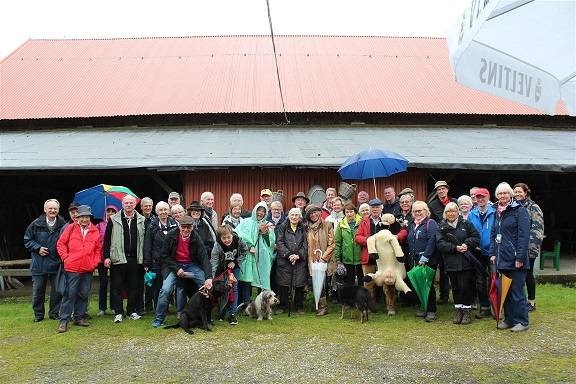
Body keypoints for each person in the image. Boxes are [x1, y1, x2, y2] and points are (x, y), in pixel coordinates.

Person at [151, 215, 213, 328]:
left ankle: (206, 318)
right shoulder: (171, 235)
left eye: (188, 227)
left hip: (191, 265)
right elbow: (164, 256)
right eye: (183, 227)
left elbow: (204, 257)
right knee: (165, 290)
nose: (186, 230)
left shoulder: (196, 237)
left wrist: (209, 277)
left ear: (192, 227)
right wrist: (177, 268)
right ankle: (159, 318)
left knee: (206, 285)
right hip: (174, 265)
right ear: (179, 226)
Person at [489, 182, 530, 332]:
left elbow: (524, 236)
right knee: (504, 291)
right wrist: (492, 253)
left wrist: (519, 258)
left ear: (511, 194)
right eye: (500, 193)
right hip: (501, 259)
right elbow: (494, 234)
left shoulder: (519, 210)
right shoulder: (496, 211)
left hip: (515, 260)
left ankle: (522, 321)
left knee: (517, 292)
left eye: (505, 193)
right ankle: (509, 319)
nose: (502, 196)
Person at [56, 205, 102, 332]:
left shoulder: (95, 231)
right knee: (69, 294)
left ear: (90, 218)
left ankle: (79, 318)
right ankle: (63, 321)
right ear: (77, 218)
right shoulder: (70, 228)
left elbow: (98, 249)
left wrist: (94, 262)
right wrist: (66, 258)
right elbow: (61, 244)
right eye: (82, 217)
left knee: (83, 294)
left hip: (88, 268)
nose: (84, 219)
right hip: (72, 268)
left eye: (87, 217)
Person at [103, 195, 146, 323]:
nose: (129, 205)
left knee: (134, 286)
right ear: (122, 205)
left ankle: (131, 311)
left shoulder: (141, 219)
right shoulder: (114, 219)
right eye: (126, 203)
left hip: (135, 258)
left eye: (131, 203)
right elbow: (106, 240)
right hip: (118, 258)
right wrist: (106, 256)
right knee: (117, 287)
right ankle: (118, 312)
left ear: (135, 204)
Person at [436, 202, 480, 325]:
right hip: (451, 262)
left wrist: (467, 244)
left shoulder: (466, 224)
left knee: (465, 286)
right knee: (455, 287)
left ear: (457, 212)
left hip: (466, 261)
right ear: (445, 213)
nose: (451, 214)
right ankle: (458, 309)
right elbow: (440, 244)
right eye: (448, 211)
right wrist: (454, 248)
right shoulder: (442, 227)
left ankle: (466, 310)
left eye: (453, 211)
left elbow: (476, 237)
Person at [24, 199, 67, 322]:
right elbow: (27, 240)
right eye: (50, 208)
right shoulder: (35, 224)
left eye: (55, 209)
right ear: (45, 210)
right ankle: (38, 315)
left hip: (56, 262)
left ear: (58, 210)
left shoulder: (63, 224)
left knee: (57, 291)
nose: (53, 210)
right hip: (39, 263)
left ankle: (54, 313)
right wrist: (37, 248)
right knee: (38, 291)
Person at [234, 202, 276, 302]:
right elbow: (238, 233)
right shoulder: (246, 222)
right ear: (255, 210)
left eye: (263, 211)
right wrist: (250, 245)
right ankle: (246, 303)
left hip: (262, 256)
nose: (260, 213)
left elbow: (270, 243)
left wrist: (264, 232)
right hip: (248, 255)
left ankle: (262, 303)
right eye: (259, 210)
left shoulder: (268, 225)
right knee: (247, 279)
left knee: (262, 278)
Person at [513, 183, 544, 312]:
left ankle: (531, 302)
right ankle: (520, 301)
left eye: (520, 191)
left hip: (528, 248)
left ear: (526, 192)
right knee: (518, 276)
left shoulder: (533, 207)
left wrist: (529, 249)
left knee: (528, 275)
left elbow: (537, 230)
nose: (517, 194)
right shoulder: (513, 206)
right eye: (515, 192)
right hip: (515, 248)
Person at [406, 201, 439, 322]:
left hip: (427, 260)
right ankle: (423, 306)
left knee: (428, 286)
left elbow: (432, 241)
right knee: (418, 285)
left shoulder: (431, 223)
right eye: (415, 211)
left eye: (420, 210)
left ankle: (431, 310)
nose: (418, 213)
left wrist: (425, 258)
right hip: (414, 260)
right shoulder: (412, 224)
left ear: (426, 211)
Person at [143, 201, 177, 313]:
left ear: (168, 211)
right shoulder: (152, 225)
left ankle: (166, 308)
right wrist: (147, 263)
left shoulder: (174, 224)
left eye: (165, 210)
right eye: (161, 210)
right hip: (156, 261)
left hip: (170, 261)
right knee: (157, 288)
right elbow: (147, 245)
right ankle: (159, 309)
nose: (163, 212)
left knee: (167, 286)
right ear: (157, 212)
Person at [467, 188, 496, 319]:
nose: (480, 199)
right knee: (480, 281)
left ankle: (497, 306)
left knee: (494, 280)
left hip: (492, 252)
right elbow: (469, 232)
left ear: (488, 197)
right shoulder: (471, 214)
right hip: (477, 252)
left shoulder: (495, 212)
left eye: (483, 197)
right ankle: (484, 307)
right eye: (478, 197)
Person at [210, 225, 248, 325]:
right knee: (222, 289)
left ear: (232, 235)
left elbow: (245, 252)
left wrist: (235, 262)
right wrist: (213, 278)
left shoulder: (239, 240)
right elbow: (214, 261)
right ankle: (222, 312)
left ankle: (233, 314)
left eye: (228, 237)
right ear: (220, 238)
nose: (227, 240)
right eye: (224, 238)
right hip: (222, 269)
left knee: (233, 288)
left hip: (234, 268)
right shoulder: (217, 245)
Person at [429, 180, 457, 304]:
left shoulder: (454, 202)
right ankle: (444, 295)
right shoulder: (433, 205)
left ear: (447, 189)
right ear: (436, 192)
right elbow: (433, 223)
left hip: (456, 239)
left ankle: (458, 294)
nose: (441, 191)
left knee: (457, 268)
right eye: (438, 189)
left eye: (443, 189)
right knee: (443, 268)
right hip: (441, 240)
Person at [275, 208, 308, 314]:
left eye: (296, 215)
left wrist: (298, 255)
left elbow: (305, 244)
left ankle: (299, 306)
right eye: (292, 215)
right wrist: (289, 255)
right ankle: (282, 305)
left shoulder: (303, 228)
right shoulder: (282, 227)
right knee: (284, 284)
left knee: (299, 284)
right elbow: (279, 243)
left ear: (299, 217)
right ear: (289, 216)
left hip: (299, 260)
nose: (294, 217)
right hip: (285, 260)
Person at [305, 204, 335, 316]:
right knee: (314, 283)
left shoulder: (327, 225)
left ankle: (323, 307)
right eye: (311, 214)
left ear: (319, 212)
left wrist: (324, 258)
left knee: (321, 283)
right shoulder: (306, 227)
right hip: (311, 260)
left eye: (315, 212)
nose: (313, 215)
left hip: (323, 260)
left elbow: (332, 244)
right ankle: (316, 303)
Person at [355, 198, 386, 302]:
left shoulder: (387, 220)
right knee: (368, 283)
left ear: (382, 208)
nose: (375, 209)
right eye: (373, 207)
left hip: (384, 257)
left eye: (377, 207)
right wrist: (368, 240)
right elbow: (358, 237)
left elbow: (400, 232)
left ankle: (390, 306)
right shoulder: (364, 221)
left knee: (386, 281)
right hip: (368, 257)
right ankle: (369, 304)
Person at [96, 205, 118, 316]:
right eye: (108, 211)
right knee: (103, 283)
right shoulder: (99, 225)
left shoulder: (118, 225)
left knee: (114, 283)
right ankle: (102, 308)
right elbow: (96, 241)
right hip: (101, 258)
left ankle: (114, 307)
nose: (110, 213)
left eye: (113, 211)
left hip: (114, 257)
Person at [334, 203, 363, 286]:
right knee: (349, 283)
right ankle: (351, 298)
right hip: (347, 259)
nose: (349, 214)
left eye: (351, 211)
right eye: (347, 212)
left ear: (355, 212)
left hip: (360, 257)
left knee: (361, 281)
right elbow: (337, 242)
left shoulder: (361, 222)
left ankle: (361, 299)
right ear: (344, 213)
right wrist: (338, 259)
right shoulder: (341, 225)